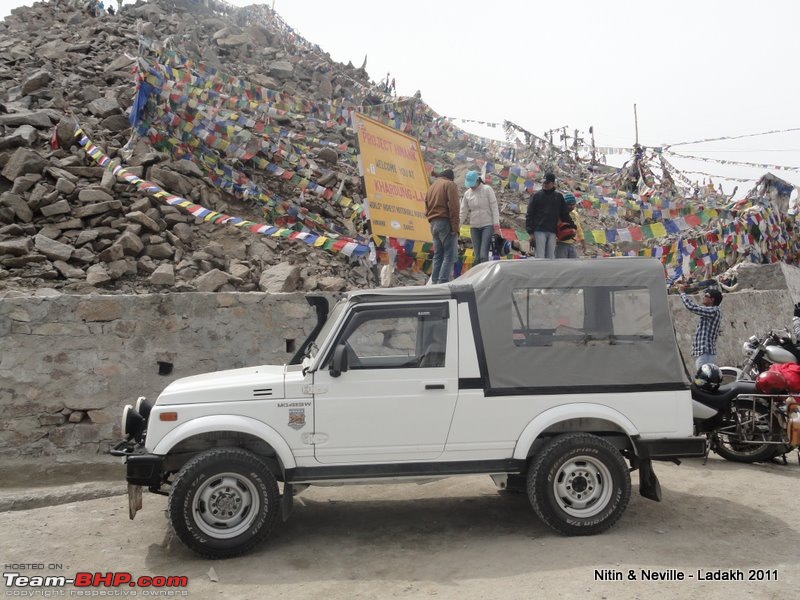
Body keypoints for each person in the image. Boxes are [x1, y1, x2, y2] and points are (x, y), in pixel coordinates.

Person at [525, 172, 574, 259]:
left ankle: (549, 273)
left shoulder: (558, 197)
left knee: (551, 256)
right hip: (539, 230)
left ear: (553, 183)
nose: (545, 184)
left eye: (547, 182)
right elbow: (530, 214)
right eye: (544, 182)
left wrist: (573, 227)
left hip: (552, 231)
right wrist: (530, 232)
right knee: (540, 256)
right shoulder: (536, 196)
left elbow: (564, 214)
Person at [424, 169, 459, 284]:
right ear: (451, 178)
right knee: (448, 254)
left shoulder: (432, 187)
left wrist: (431, 219)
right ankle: (442, 282)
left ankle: (434, 282)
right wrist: (455, 227)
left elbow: (426, 207)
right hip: (445, 222)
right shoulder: (450, 184)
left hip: (433, 223)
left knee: (438, 255)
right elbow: (454, 207)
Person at [460, 170, 500, 266]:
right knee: (477, 257)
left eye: (472, 184)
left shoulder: (487, 189)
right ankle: (478, 278)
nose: (471, 186)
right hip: (474, 226)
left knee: (483, 255)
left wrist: (496, 224)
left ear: (477, 180)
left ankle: (485, 278)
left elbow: (494, 207)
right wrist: (457, 226)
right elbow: (463, 211)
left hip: (487, 225)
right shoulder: (467, 194)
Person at [678, 286, 723, 370]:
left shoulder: (714, 311)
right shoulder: (712, 311)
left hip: (705, 353)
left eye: (706, 295)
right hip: (704, 353)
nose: (703, 297)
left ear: (712, 299)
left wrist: (682, 293)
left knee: (703, 379)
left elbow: (692, 307)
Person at [555, 193, 585, 259]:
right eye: (569, 205)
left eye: (573, 204)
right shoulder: (559, 213)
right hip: (560, 244)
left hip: (571, 243)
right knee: (561, 265)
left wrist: (583, 242)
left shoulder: (575, 214)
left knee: (574, 265)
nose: (571, 207)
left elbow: (579, 228)